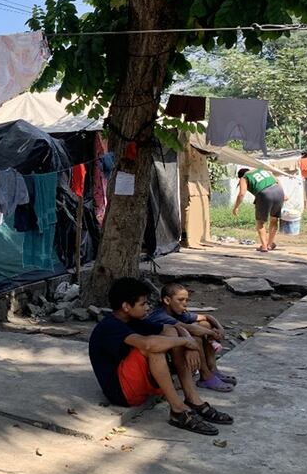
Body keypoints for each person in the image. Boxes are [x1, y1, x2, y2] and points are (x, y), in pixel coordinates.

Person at [88, 278, 234, 435]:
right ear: (126, 306)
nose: (147, 307)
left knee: (170, 334)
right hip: (121, 392)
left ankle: (193, 399)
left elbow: (174, 328)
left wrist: (188, 343)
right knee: (154, 348)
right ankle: (177, 409)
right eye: (143, 304)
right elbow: (149, 345)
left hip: (138, 382)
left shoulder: (133, 320)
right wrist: (186, 341)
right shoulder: (110, 326)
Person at [147, 283, 237, 393]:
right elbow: (188, 328)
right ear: (167, 300)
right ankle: (205, 376)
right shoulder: (160, 315)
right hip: (164, 358)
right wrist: (212, 334)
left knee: (204, 324)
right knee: (197, 335)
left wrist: (219, 327)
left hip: (176, 349)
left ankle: (212, 369)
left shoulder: (177, 312)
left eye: (186, 300)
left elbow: (207, 316)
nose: (185, 304)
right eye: (180, 300)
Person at [232, 167, 285, 252]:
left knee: (260, 222)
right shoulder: (262, 170)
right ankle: (270, 244)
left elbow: (241, 194)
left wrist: (236, 207)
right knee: (274, 219)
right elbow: (277, 180)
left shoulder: (244, 177)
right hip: (279, 191)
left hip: (265, 194)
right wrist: (283, 195)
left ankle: (264, 246)